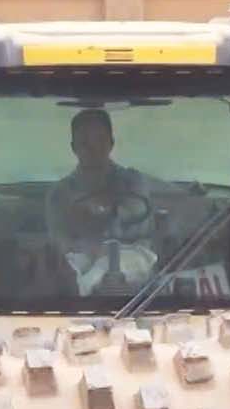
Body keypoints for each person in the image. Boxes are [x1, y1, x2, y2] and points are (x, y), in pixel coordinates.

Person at [43, 109, 160, 294]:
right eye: (84, 142)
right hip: (82, 258)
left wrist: (100, 208)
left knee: (111, 267)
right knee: (72, 270)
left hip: (134, 257)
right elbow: (59, 241)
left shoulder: (133, 181)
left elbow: (135, 211)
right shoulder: (59, 194)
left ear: (111, 143)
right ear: (74, 147)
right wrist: (88, 246)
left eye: (99, 140)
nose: (93, 148)